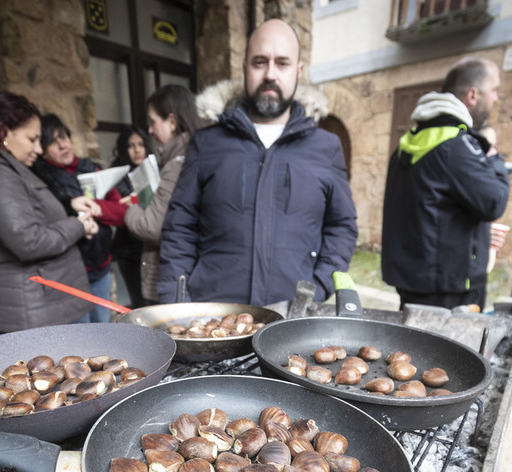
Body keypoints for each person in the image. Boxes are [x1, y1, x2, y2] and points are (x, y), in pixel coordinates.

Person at [156, 19, 358, 306]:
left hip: (291, 323)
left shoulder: (325, 147)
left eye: (283, 63)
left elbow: (342, 225)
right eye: (260, 62)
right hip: (214, 321)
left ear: (298, 71)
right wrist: (176, 301)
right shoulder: (207, 142)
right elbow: (180, 226)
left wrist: (320, 285)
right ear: (244, 68)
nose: (270, 74)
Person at [0, 92, 97, 335]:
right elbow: (28, 241)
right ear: (4, 132)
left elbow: (29, 213)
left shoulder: (6, 168)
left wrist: (70, 207)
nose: (39, 149)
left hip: (45, 303)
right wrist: (79, 225)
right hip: (36, 309)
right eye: (32, 139)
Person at [380, 57, 510, 310]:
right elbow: (494, 201)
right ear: (473, 95)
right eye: (493, 90)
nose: (495, 99)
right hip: (450, 293)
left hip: (415, 284)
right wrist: (492, 154)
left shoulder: (410, 140)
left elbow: (434, 209)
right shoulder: (456, 146)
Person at [31, 115, 129, 322]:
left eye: (64, 138)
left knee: (102, 326)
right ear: (43, 149)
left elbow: (121, 213)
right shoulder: (39, 178)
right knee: (81, 334)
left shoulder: (92, 169)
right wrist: (74, 213)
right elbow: (44, 222)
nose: (62, 145)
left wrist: (96, 208)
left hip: (101, 265)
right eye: (52, 142)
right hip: (70, 273)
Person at [124, 85, 200, 306]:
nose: (149, 130)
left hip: (171, 279)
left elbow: (152, 226)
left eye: (153, 121)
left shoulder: (177, 165)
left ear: (172, 122)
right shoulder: (196, 155)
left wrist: (131, 207)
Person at [109, 127, 154, 307]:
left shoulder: (153, 168)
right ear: (123, 149)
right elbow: (117, 209)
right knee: (139, 302)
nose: (137, 150)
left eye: (141, 144)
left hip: (151, 245)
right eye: (131, 145)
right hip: (129, 248)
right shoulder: (117, 175)